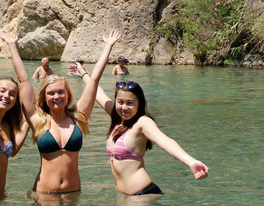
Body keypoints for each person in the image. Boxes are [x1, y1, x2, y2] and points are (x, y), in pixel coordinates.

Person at [1, 30, 121, 194]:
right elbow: (24, 80)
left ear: (67, 94)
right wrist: (12, 45)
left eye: (60, 92)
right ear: (44, 97)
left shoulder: (78, 117)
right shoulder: (37, 119)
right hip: (44, 195)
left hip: (73, 194)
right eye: (51, 93)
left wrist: (108, 47)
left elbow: (94, 81)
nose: (56, 96)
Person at [73, 73, 209, 196]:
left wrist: (190, 162)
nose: (124, 107)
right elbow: (96, 91)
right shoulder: (117, 118)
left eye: (130, 103)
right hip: (126, 196)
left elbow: (165, 141)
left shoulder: (142, 122)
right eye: (120, 102)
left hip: (141, 195)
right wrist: (83, 73)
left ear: (139, 103)